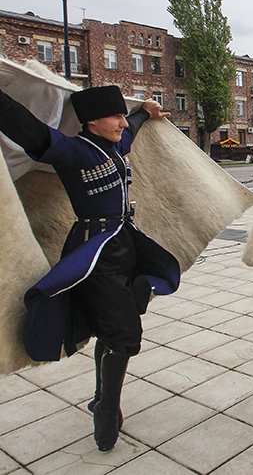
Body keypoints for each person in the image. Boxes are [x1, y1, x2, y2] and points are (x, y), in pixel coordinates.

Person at [0, 86, 180, 452]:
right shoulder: (73, 151)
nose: (120, 123)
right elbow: (29, 130)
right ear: (92, 121)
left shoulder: (114, 143)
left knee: (111, 331)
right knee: (127, 337)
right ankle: (107, 411)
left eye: (120, 116)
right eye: (114, 117)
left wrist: (144, 111)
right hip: (95, 253)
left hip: (125, 246)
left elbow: (132, 126)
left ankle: (101, 398)